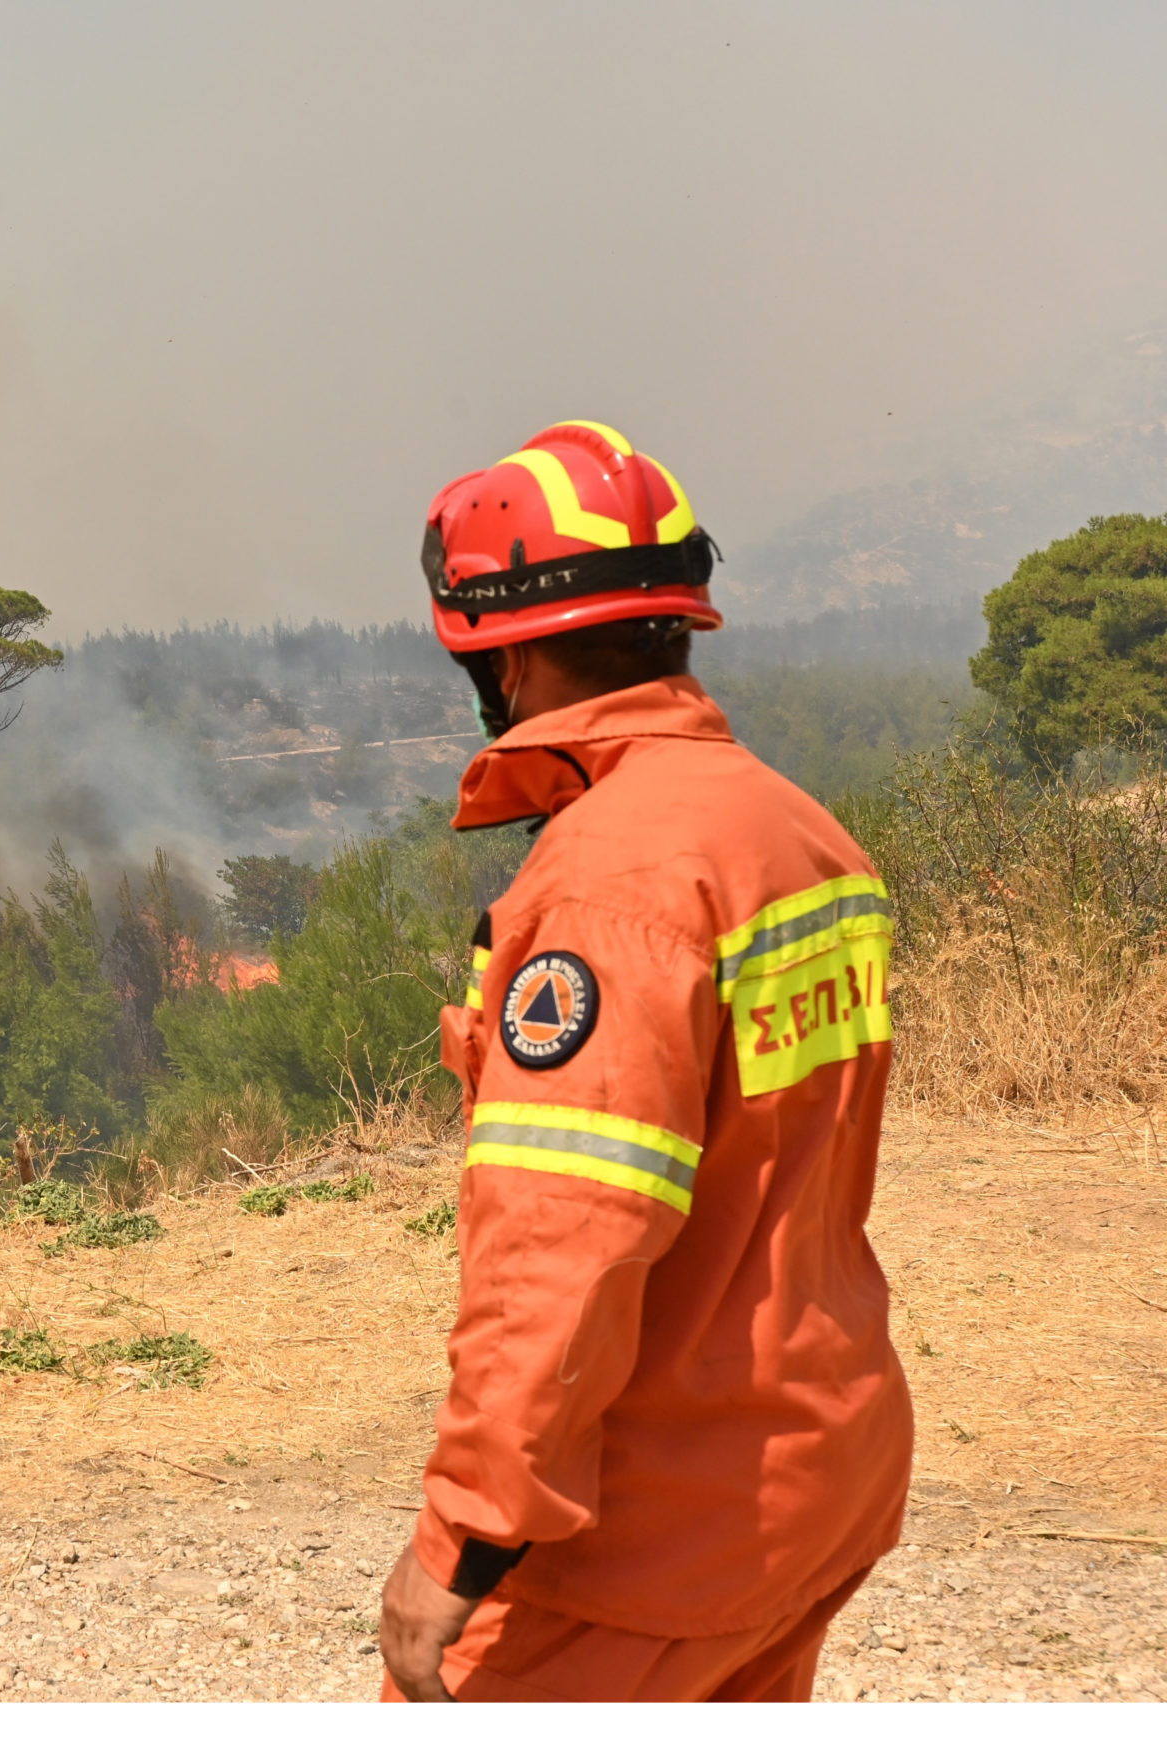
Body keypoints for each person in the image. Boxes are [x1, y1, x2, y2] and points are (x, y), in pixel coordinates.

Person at [377, 421, 913, 1703]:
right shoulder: (797, 831)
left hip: (655, 1531)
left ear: (504, 655)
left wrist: (464, 1533)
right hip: (814, 1472)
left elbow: (564, 1239)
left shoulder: (607, 886)